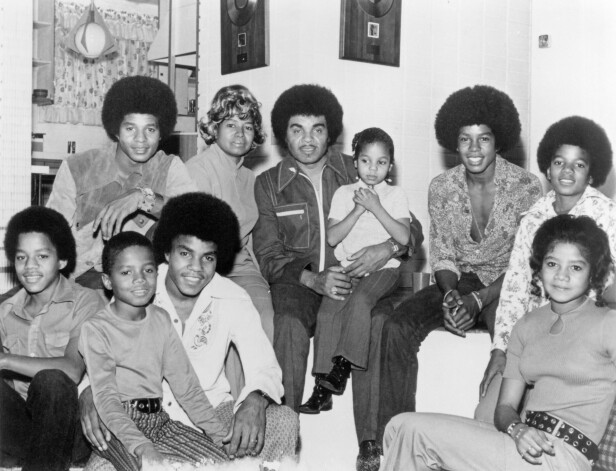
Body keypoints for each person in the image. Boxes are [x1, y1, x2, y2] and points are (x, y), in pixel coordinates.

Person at [252, 84, 423, 469]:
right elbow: (267, 254)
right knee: (290, 324)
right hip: (301, 283)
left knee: (374, 322)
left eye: (317, 129)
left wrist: (387, 250)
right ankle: (283, 443)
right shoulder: (268, 184)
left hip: (364, 276)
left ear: (331, 133)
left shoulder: (358, 167)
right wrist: (313, 279)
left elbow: (412, 231)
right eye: (297, 129)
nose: (308, 139)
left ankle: (369, 443)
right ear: (283, 134)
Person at [81, 193, 298, 471]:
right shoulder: (141, 283)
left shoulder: (232, 297)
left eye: (207, 257)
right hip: (138, 419)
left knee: (283, 419)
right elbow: (104, 350)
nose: (196, 268)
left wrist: (255, 399)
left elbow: (265, 365)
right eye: (185, 254)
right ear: (167, 253)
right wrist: (88, 392)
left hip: (211, 413)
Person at [381, 214, 616, 471]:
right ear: (539, 268)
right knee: (398, 426)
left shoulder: (607, 323)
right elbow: (504, 408)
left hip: (563, 455)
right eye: (552, 264)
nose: (562, 276)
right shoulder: (526, 325)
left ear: (593, 272)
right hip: (520, 442)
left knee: (411, 432)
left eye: (576, 267)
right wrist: (518, 429)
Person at [377, 85, 543, 445]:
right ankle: (392, 441)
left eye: (483, 139)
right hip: (457, 282)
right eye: (465, 139)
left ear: (499, 141)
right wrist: (452, 296)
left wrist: (480, 301)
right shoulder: (441, 187)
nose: (473, 149)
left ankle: (496, 443)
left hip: (505, 285)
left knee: (513, 340)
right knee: (396, 326)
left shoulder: (527, 187)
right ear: (454, 142)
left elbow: (524, 265)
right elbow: (443, 254)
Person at [477, 116, 616, 421]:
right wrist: (500, 350)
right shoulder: (532, 218)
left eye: (578, 165)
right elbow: (515, 287)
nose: (567, 171)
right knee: (487, 416)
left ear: (592, 173)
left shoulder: (607, 215)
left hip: (581, 344)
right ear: (548, 168)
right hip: (531, 338)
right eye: (559, 162)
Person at [79, 231, 228, 470]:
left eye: (148, 270)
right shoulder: (96, 329)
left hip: (159, 420)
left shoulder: (161, 319)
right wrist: (142, 446)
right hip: (117, 423)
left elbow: (187, 388)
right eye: (126, 272)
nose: (139, 279)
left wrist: (221, 437)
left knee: (223, 464)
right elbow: (106, 398)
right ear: (107, 281)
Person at [47, 75, 197, 290]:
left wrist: (142, 198)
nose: (141, 139)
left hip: (141, 282)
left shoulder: (169, 167)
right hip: (78, 279)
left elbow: (194, 219)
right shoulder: (77, 167)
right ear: (116, 130)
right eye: (130, 129)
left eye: (150, 129)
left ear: (161, 132)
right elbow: (51, 236)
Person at [302, 127, 410, 409]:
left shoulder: (395, 194)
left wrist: (375, 206)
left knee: (361, 301)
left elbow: (404, 238)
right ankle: (322, 383)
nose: (373, 169)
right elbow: (333, 236)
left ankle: (342, 366)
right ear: (355, 163)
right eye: (366, 161)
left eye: (381, 162)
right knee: (328, 308)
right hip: (348, 267)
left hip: (384, 269)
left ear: (391, 166)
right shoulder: (343, 193)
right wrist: (358, 209)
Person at [0, 206, 105, 470]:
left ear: (62, 261)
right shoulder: (5, 310)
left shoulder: (86, 301)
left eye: (42, 256)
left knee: (52, 380)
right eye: (22, 258)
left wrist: (5, 360)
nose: (30, 267)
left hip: (70, 430)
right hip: (26, 430)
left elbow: (72, 369)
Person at [186, 84, 274, 342]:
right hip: (205, 267)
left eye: (247, 127)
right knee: (227, 320)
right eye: (231, 125)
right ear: (215, 129)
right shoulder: (198, 169)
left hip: (243, 268)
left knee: (264, 319)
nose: (240, 134)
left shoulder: (251, 178)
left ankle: (259, 384)